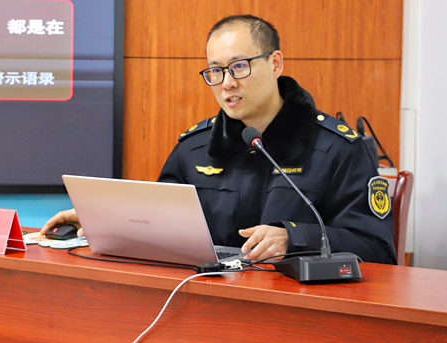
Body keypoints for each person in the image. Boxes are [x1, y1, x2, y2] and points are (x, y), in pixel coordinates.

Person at [42, 15, 396, 264]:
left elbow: (377, 250)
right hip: (203, 307)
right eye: (215, 71)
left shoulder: (339, 150)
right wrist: (103, 219)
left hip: (296, 315)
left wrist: (294, 238)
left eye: (239, 66)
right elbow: (161, 225)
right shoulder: (194, 148)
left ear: (275, 64)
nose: (226, 83)